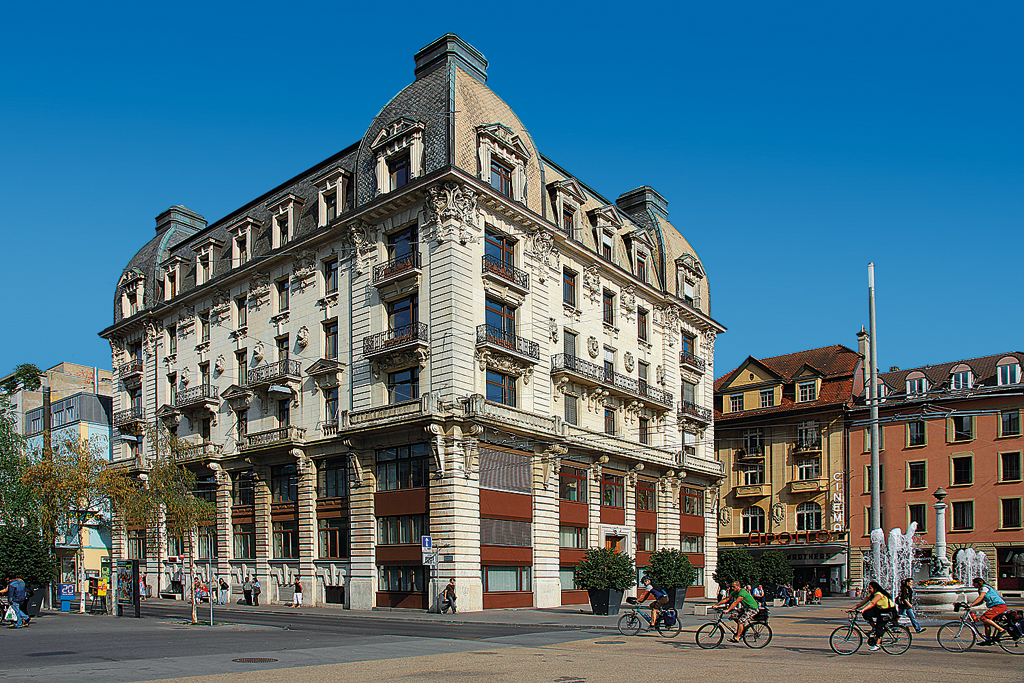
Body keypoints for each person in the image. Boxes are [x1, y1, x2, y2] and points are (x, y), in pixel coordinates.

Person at [851, 581, 897, 651]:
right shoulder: (871, 594)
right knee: (866, 613)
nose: (869, 590)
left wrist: (863, 609)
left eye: (870, 588)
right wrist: (852, 609)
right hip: (880, 610)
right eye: (868, 588)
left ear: (875, 589)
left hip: (888, 611)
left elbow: (872, 603)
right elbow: (862, 602)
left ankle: (878, 644)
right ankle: (874, 628)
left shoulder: (879, 594)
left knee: (880, 626)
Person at [968, 577, 1010, 645]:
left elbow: (980, 597)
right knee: (986, 622)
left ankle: (1001, 629)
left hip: (999, 606)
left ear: (978, 583)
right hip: (996, 606)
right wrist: (971, 606)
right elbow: (981, 601)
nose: (973, 585)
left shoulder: (985, 588)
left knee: (983, 618)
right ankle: (988, 640)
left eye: (974, 583)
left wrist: (971, 605)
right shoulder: (982, 589)